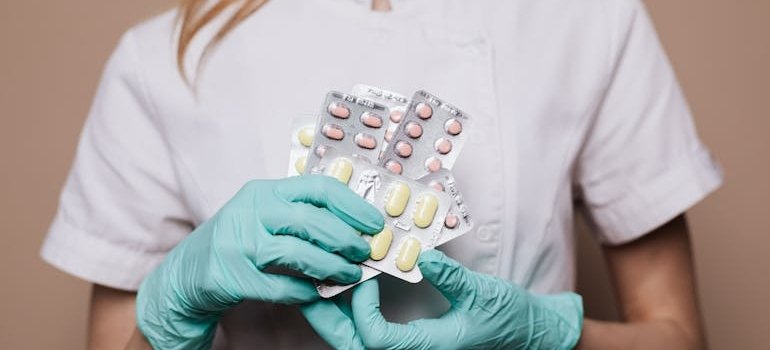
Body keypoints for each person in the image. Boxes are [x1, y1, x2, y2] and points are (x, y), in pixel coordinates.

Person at [41, 0, 723, 348]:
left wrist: (550, 333)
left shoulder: (587, 18)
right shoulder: (163, 58)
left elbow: (677, 336)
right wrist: (172, 313)